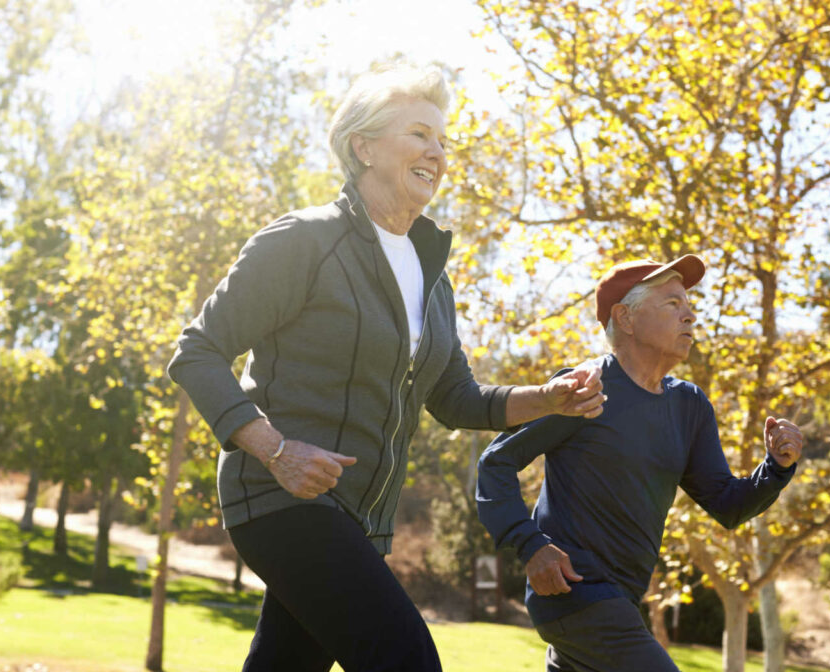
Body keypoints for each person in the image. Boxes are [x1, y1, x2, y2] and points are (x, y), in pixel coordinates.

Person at [167, 64, 604, 672]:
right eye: (420, 134)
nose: (437, 152)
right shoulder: (305, 240)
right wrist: (276, 450)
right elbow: (197, 351)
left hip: (359, 520)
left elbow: (457, 399)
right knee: (407, 661)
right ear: (363, 146)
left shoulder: (432, 277)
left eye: (444, 141)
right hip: (278, 497)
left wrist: (548, 397)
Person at [476, 255, 802, 672]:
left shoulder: (689, 406)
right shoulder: (583, 388)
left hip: (621, 602)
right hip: (574, 594)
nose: (690, 314)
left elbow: (728, 503)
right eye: (672, 304)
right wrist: (531, 546)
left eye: (689, 304)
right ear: (625, 318)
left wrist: (774, 467)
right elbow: (495, 464)